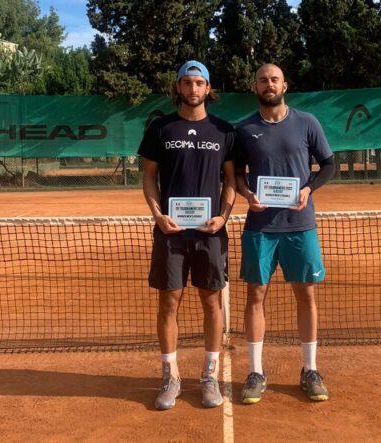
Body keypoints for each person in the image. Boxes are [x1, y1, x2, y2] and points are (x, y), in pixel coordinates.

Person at [234, 63, 336, 404]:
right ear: (255, 86)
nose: (269, 84)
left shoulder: (307, 123)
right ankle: (256, 372)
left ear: (285, 85)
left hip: (300, 226)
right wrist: (247, 195)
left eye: (274, 79)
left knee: (305, 296)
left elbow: (329, 165)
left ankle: (310, 369)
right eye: (262, 79)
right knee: (255, 297)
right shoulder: (244, 128)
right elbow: (235, 174)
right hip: (260, 228)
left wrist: (309, 190)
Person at [138, 60, 236, 410]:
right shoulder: (160, 128)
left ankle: (209, 376)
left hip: (210, 234)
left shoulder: (225, 131)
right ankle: (171, 377)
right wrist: (158, 215)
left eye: (199, 83)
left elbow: (231, 181)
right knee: (169, 302)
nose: (193, 89)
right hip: (171, 233)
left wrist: (223, 217)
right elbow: (149, 176)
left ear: (208, 88)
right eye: (186, 83)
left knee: (212, 303)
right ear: (177, 88)